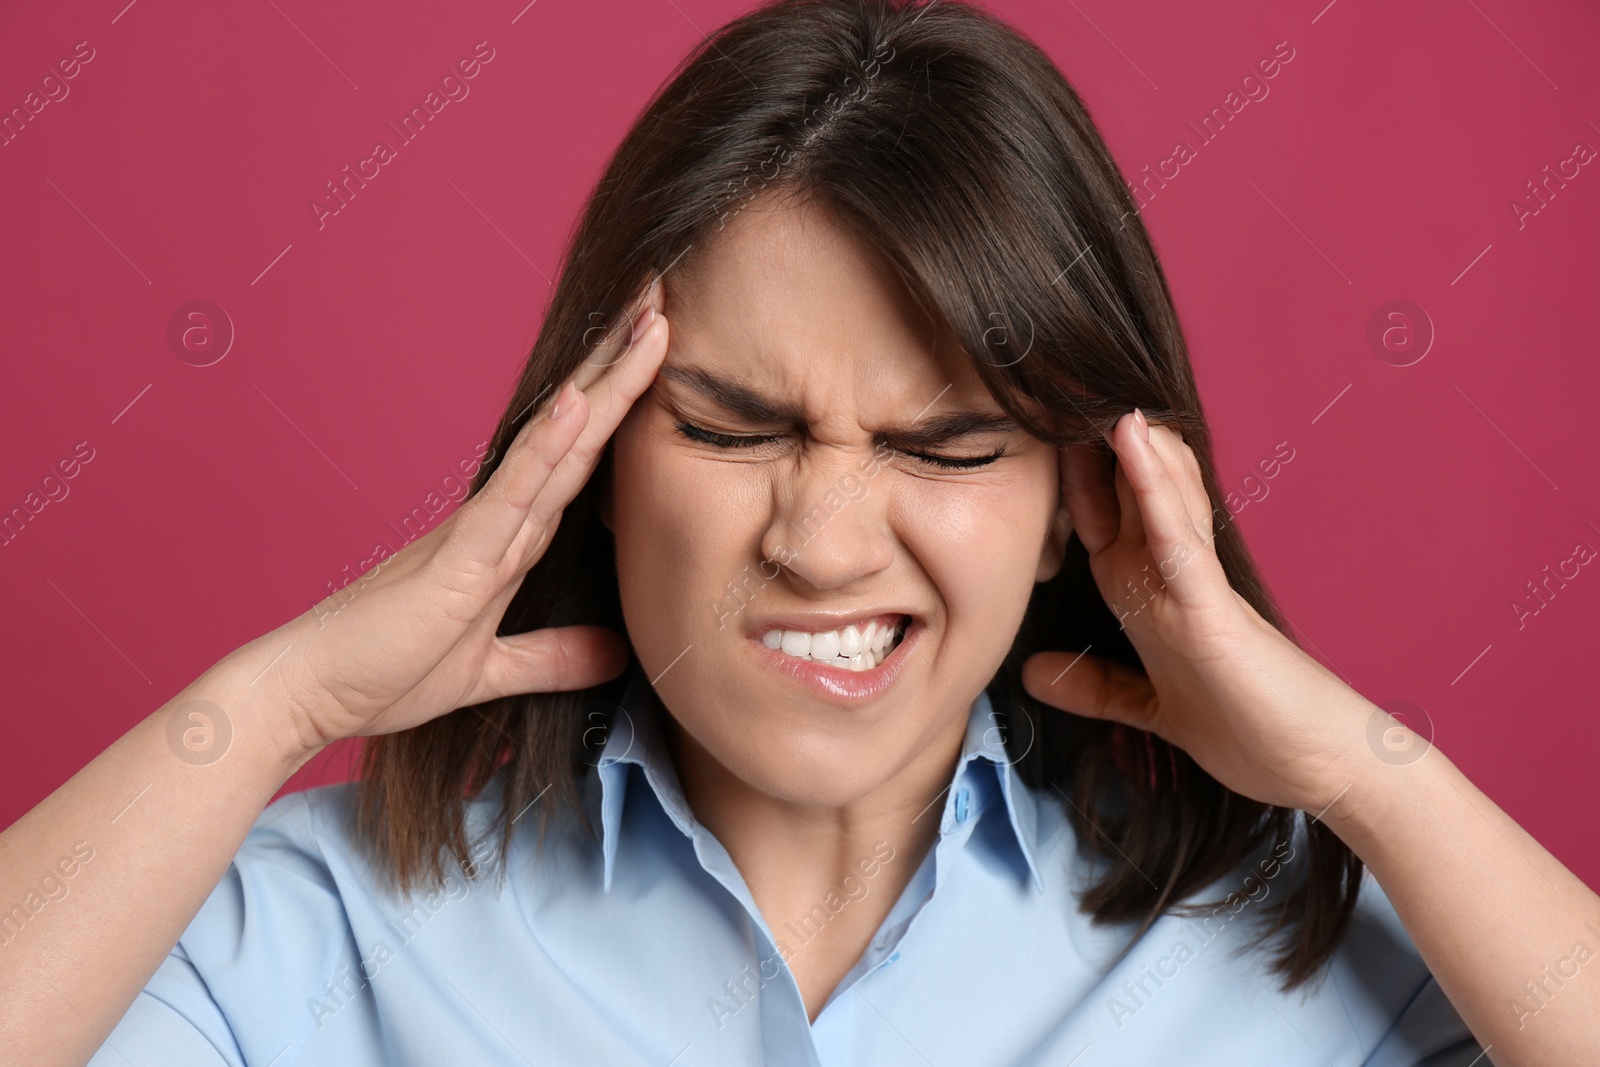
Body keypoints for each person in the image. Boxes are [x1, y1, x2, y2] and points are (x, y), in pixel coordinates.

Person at [3, 1, 1595, 1064]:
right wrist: (281, 706)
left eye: (947, 444)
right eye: (730, 427)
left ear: (1079, 508)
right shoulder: (306, 932)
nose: (826, 543)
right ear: (597, 457)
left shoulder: (1318, 948)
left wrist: (1357, 778)